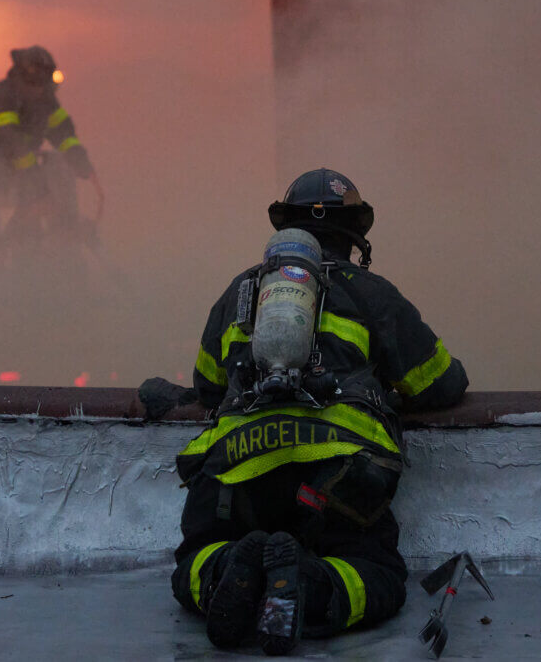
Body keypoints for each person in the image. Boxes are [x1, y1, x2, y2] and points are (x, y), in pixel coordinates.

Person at [169, 168, 468, 655]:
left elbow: (207, 385)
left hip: (238, 472)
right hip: (334, 478)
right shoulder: (371, 293)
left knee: (193, 561)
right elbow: (441, 384)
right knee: (376, 573)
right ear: (354, 233)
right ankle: (309, 582)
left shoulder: (240, 294)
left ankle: (228, 567)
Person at [0, 46, 103, 248]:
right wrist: (39, 188)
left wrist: (79, 160)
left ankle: (58, 245)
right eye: (38, 86)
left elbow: (63, 133)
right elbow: (10, 143)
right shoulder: (1, 96)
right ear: (23, 80)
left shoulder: (45, 99)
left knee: (55, 170)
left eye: (45, 86)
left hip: (21, 172)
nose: (41, 92)